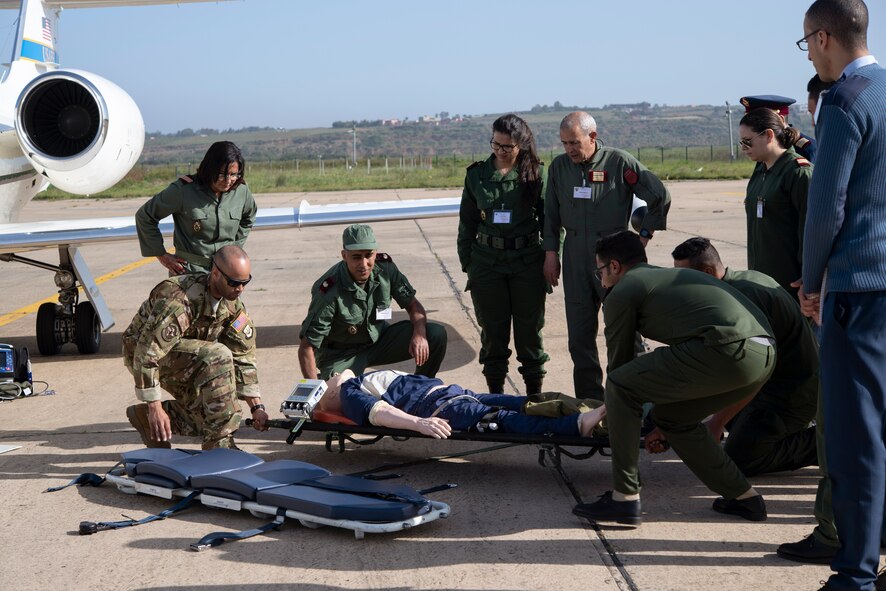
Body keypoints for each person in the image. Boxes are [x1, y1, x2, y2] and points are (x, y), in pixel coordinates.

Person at [571, 231, 775, 526]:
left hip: (728, 350)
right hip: (763, 355)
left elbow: (620, 369)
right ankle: (744, 498)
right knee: (672, 418)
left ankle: (624, 499)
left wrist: (605, 411)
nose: (600, 278)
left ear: (614, 267)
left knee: (619, 386)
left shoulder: (624, 290)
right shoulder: (661, 278)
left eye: (599, 270)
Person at [796, 1, 886, 589]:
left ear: (823, 37)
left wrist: (811, 280)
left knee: (856, 441)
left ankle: (853, 574)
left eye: (806, 44)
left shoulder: (844, 100)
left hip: (857, 289)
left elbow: (825, 207)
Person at [543, 111, 671, 400]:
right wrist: (551, 253)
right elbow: (550, 215)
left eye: (574, 142)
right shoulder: (559, 168)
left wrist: (643, 238)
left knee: (625, 334)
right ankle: (590, 403)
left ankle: (629, 397)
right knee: (579, 338)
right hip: (575, 257)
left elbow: (659, 196)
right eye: (564, 143)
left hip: (615, 259)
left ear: (592, 136)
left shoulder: (619, 162)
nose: (569, 150)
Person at [670, 237, 818, 476]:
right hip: (778, 384)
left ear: (708, 271)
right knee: (728, 415)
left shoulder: (743, 299)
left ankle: (830, 443)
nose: (680, 285)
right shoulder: (740, 281)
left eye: (685, 277)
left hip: (794, 392)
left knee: (741, 458)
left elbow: (758, 371)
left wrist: (716, 422)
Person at [123, 245, 268, 450]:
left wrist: (257, 408)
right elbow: (146, 354)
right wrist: (153, 405)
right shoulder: (179, 299)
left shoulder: (233, 305)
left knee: (222, 408)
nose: (240, 289)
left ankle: (146, 421)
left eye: (245, 282)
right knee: (218, 356)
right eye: (234, 282)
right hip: (144, 353)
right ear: (216, 273)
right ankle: (219, 446)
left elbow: (243, 355)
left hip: (186, 357)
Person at [457, 114, 548, 395]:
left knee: (529, 334)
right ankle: (496, 397)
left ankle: (534, 396)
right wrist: (469, 265)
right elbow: (467, 224)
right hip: (487, 264)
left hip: (528, 263)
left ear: (521, 145)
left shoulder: (537, 174)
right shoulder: (476, 175)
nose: (499, 151)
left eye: (506, 147)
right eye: (495, 144)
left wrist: (551, 258)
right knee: (493, 334)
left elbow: (551, 224)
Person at [298, 224, 448, 380]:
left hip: (379, 342)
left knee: (435, 335)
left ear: (375, 253)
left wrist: (419, 334)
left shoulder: (386, 269)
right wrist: (315, 394)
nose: (364, 264)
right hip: (341, 354)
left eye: (368, 255)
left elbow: (413, 305)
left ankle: (420, 388)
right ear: (344, 255)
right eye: (356, 257)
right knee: (336, 396)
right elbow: (306, 348)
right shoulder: (329, 290)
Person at [319, 369, 607, 438]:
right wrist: (419, 424)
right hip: (441, 408)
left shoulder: (362, 380)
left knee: (529, 402)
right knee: (504, 419)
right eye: (328, 380)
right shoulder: (350, 392)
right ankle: (578, 424)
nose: (331, 375)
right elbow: (379, 413)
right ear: (331, 396)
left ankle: (598, 410)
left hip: (454, 394)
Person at [136, 141, 257, 275]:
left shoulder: (241, 191)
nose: (228, 181)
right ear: (210, 168)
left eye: (234, 174)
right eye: (222, 174)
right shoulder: (183, 190)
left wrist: (234, 249)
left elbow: (248, 218)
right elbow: (145, 216)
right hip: (189, 274)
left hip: (225, 276)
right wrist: (162, 255)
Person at [739, 107, 813, 300]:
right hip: (761, 281)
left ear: (769, 135)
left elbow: (811, 230)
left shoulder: (798, 172)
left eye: (748, 141)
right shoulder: (760, 172)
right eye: (741, 142)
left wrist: (809, 277)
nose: (743, 147)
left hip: (790, 286)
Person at [739, 95, 818, 161]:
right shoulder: (764, 148)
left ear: (780, 119)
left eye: (758, 123)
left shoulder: (807, 150)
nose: (753, 127)